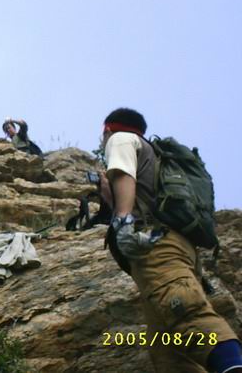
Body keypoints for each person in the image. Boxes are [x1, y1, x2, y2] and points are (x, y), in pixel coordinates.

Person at [100, 108, 242, 373]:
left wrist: (123, 221)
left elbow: (124, 175)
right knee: (168, 352)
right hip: (178, 247)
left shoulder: (119, 139)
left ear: (107, 128)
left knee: (188, 314)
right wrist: (111, 198)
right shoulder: (152, 155)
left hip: (156, 247)